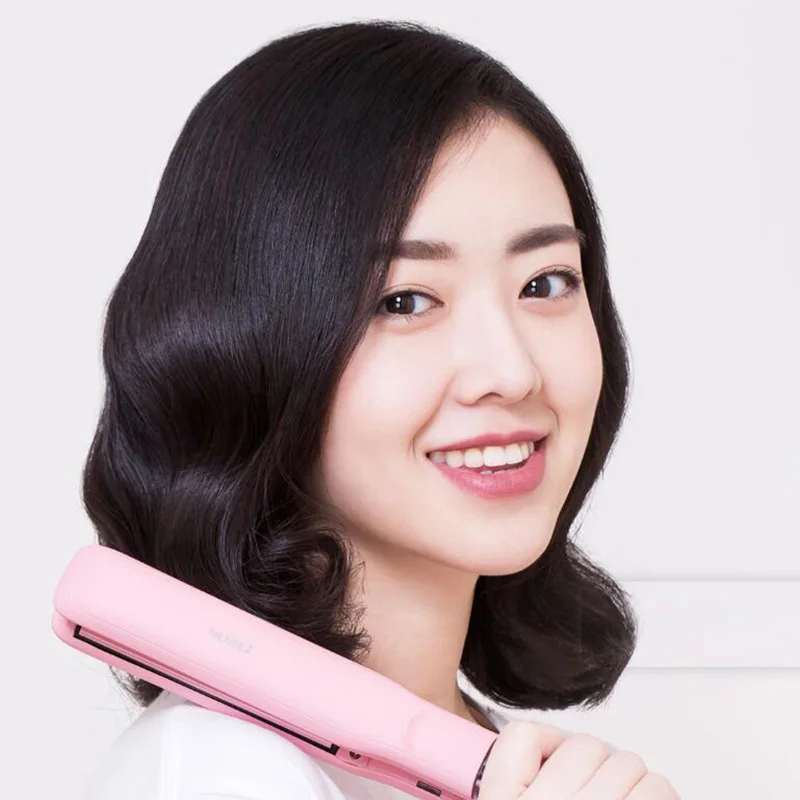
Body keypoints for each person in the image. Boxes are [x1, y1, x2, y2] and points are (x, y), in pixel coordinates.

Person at [79, 17, 668, 800]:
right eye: (405, 300)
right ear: (249, 345)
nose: (511, 371)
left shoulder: (495, 757)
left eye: (545, 283)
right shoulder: (221, 770)